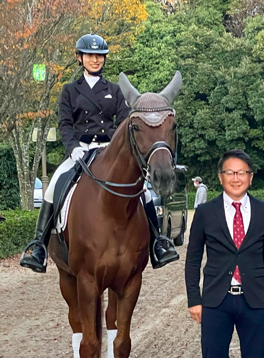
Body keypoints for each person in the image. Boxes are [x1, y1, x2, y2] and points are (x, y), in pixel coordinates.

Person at [20, 33, 179, 273]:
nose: (96, 60)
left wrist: (114, 147)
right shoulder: (70, 91)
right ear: (80, 58)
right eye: (91, 55)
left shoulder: (114, 91)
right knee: (55, 182)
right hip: (81, 150)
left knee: (142, 190)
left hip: (110, 149)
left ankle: (158, 242)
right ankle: (39, 244)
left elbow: (125, 122)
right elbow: (64, 124)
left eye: (100, 56)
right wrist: (73, 148)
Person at [185, 149, 264, 358]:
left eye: (242, 173)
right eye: (230, 173)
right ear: (220, 177)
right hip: (215, 301)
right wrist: (194, 299)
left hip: (253, 301)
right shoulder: (205, 212)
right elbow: (193, 258)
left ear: (250, 177)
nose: (236, 179)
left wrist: (255, 276)